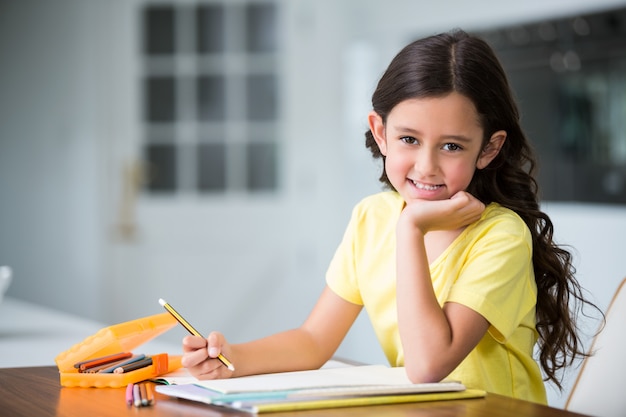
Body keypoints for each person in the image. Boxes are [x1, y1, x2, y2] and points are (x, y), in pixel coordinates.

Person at [181, 29, 599, 404]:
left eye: (451, 146)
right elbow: (313, 340)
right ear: (381, 134)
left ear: (488, 149)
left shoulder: (500, 236)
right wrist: (232, 358)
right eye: (409, 139)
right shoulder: (371, 218)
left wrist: (411, 228)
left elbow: (427, 366)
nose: (426, 166)